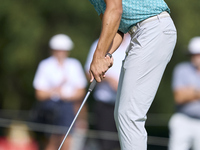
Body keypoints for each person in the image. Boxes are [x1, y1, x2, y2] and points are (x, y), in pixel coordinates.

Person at [88, 0, 177, 149]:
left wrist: (98, 56)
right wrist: (105, 55)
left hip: (153, 27)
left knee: (129, 114)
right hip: (142, 32)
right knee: (122, 113)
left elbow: (115, 10)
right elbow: (116, 29)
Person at [32, 34, 87, 150]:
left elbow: (81, 92)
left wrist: (65, 95)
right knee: (51, 140)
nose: (61, 53)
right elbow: (39, 94)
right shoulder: (45, 65)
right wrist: (55, 92)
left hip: (68, 107)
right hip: (49, 108)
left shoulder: (74, 65)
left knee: (66, 138)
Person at [85, 33, 130, 150]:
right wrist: (109, 80)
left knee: (128, 143)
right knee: (106, 144)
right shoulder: (101, 43)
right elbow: (89, 72)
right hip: (105, 104)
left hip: (128, 104)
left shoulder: (135, 43)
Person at [168, 37, 200, 150]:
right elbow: (179, 97)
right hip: (183, 120)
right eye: (193, 54)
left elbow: (184, 94)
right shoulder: (182, 69)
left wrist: (191, 92)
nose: (195, 57)